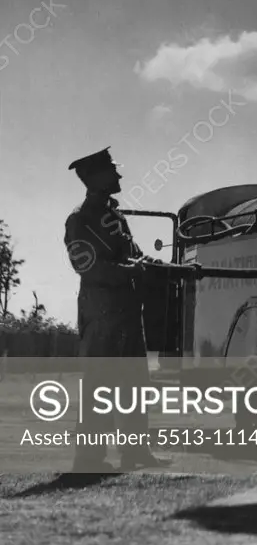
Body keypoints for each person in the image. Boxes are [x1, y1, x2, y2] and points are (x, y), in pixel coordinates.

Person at [64, 147, 167, 471]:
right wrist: (131, 271)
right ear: (95, 178)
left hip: (126, 313)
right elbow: (88, 268)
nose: (119, 176)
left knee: (134, 385)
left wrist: (167, 268)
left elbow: (135, 254)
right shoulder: (80, 219)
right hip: (102, 316)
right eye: (112, 171)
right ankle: (89, 459)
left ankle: (135, 453)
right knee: (100, 387)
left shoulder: (115, 217)